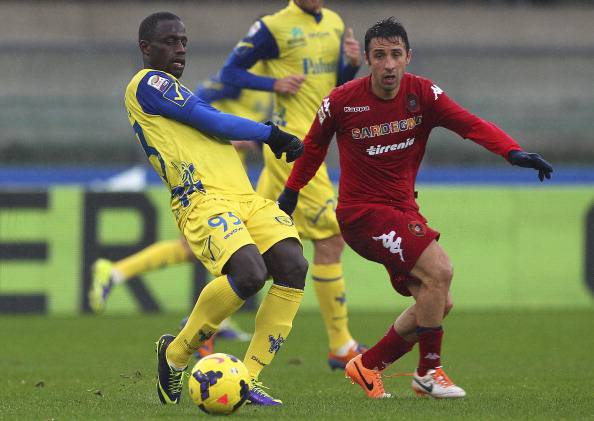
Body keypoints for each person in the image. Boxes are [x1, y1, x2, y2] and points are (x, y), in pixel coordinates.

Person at [277, 17, 553, 399]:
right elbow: (312, 149)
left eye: (395, 55)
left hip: (403, 211)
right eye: (379, 56)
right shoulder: (341, 101)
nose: (388, 64)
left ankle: (367, 365)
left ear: (408, 56)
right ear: (369, 61)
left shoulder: (423, 94)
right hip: (361, 214)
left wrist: (513, 151)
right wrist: (290, 194)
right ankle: (428, 372)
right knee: (440, 270)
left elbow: (469, 125)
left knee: (438, 299)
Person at [125, 11, 309, 406]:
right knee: (249, 273)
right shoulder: (147, 83)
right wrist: (269, 133)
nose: (180, 49)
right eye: (170, 41)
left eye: (184, 42)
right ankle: (175, 354)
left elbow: (207, 120)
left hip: (243, 195)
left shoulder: (176, 91)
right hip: (201, 198)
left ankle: (249, 377)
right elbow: (209, 118)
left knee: (293, 265)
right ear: (146, 48)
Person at [220, 0, 365, 370]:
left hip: (312, 146)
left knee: (254, 250)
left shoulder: (334, 22)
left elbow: (333, 91)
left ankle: (206, 327)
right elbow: (230, 72)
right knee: (332, 240)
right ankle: (341, 346)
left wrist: (350, 65)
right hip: (295, 151)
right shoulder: (274, 26)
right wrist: (273, 83)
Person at [88, 65, 274, 345]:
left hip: (233, 178)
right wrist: (223, 138)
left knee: (212, 252)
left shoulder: (268, 89)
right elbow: (191, 107)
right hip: (205, 181)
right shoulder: (235, 79)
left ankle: (117, 272)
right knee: (234, 254)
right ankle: (205, 322)